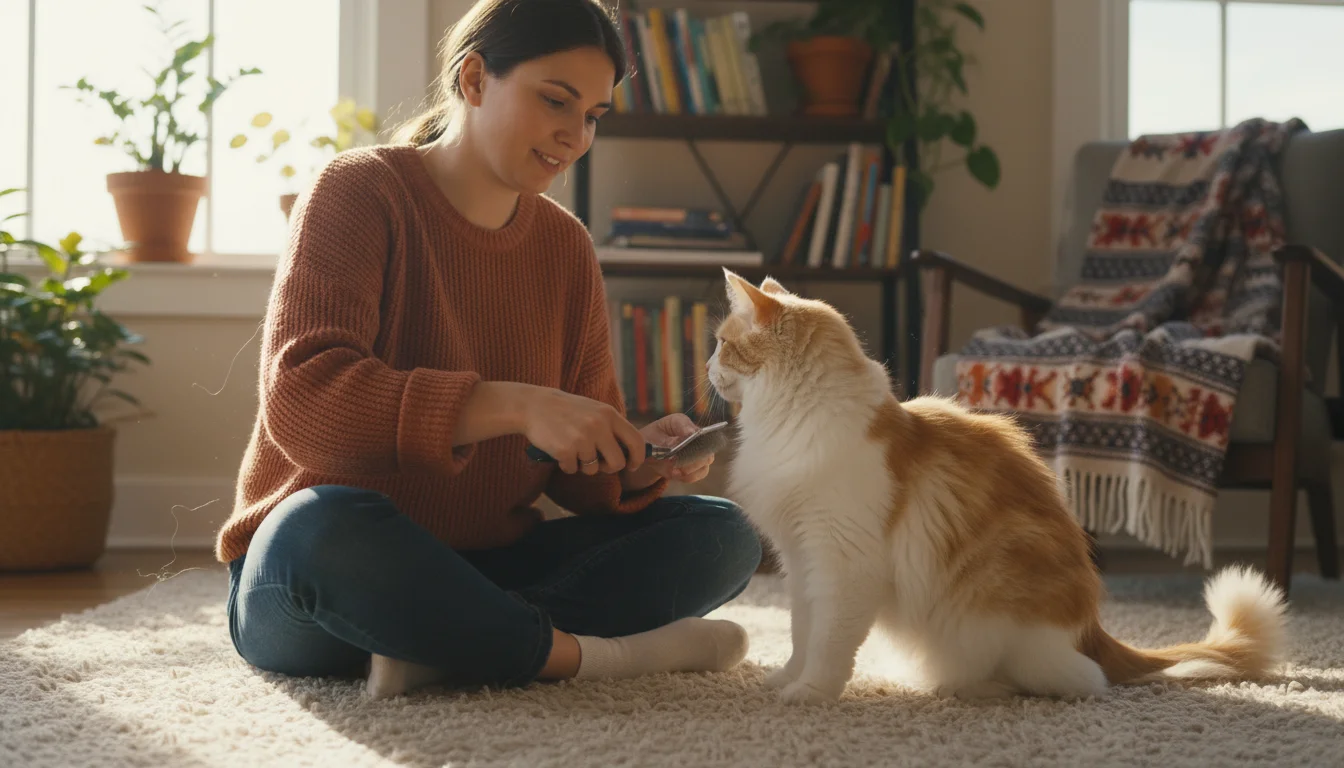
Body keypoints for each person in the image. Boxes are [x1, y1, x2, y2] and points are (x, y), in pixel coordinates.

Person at [216, 0, 762, 699]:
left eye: (593, 115)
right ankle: (582, 657)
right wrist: (513, 405)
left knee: (721, 536)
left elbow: (575, 482)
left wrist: (631, 458)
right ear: (474, 79)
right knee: (317, 528)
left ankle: (448, 645)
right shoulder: (359, 190)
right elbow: (305, 404)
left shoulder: (565, 247)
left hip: (485, 567)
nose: (575, 134)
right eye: (556, 101)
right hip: (325, 574)